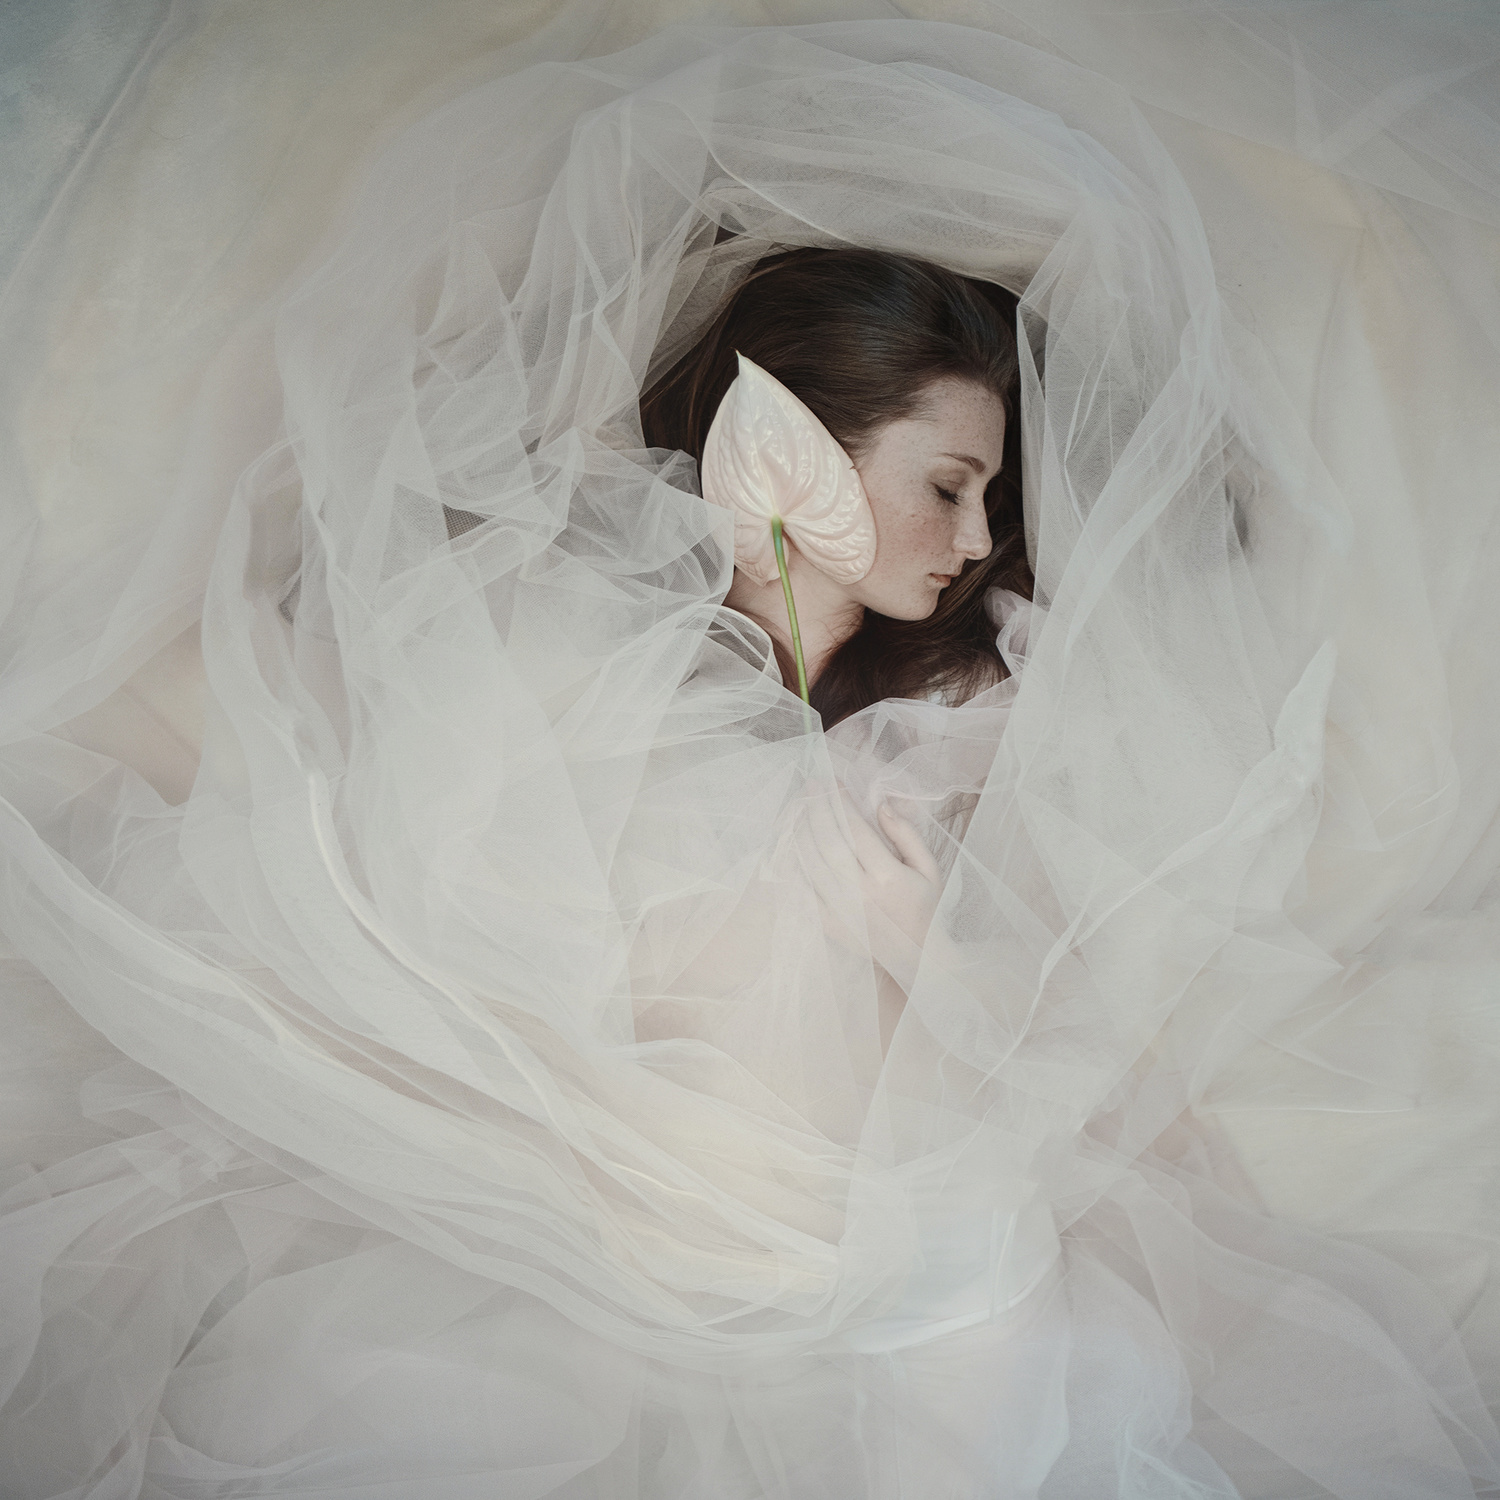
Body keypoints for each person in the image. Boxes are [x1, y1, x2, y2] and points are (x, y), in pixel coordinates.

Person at [2, 6, 1498, 1498]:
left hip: (890, 1249)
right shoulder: (570, 646)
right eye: (945, 484)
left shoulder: (967, 710)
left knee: (977, 1340)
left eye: (989, 494)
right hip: (607, 1237)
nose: (973, 537)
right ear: (790, 443)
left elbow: (1069, 1064)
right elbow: (379, 864)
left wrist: (917, 943)